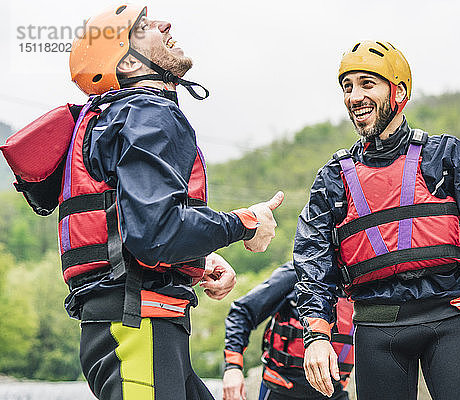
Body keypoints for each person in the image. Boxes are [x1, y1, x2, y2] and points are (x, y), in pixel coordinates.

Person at [7, 4, 284, 400]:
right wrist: (244, 223)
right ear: (129, 62)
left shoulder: (119, 116)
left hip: (138, 328)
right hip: (137, 327)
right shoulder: (147, 111)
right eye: (144, 27)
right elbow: (156, 233)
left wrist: (198, 259)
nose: (165, 24)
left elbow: (135, 228)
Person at [293, 40, 460, 400]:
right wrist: (317, 335)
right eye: (348, 86)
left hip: (448, 321)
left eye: (367, 84)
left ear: (398, 92)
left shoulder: (446, 157)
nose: (354, 96)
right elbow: (312, 260)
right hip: (376, 330)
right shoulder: (333, 178)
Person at [222, 262, 354, 400]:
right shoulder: (297, 273)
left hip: (333, 392)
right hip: (281, 390)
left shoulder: (358, 281)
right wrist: (233, 368)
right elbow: (242, 312)